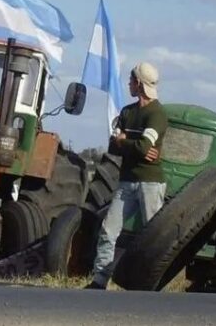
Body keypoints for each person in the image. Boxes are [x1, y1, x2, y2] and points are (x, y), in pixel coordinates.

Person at [85, 62, 168, 290]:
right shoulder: (127, 112)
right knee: (108, 230)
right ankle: (100, 279)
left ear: (139, 84)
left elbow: (141, 146)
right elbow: (115, 146)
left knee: (153, 237)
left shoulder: (158, 114)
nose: (129, 84)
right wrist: (129, 143)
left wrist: (125, 141)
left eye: (131, 81)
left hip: (150, 183)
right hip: (127, 181)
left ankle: (151, 283)